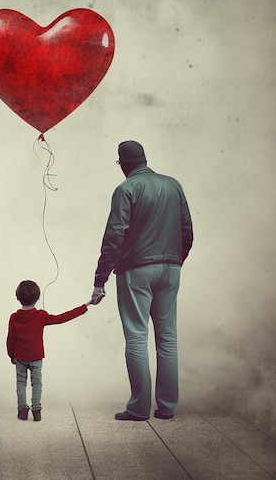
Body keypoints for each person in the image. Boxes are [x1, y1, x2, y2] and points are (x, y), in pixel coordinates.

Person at [90, 140, 193, 421]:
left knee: (137, 336)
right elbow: (187, 230)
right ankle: (167, 408)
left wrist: (100, 279)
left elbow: (114, 236)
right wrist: (174, 261)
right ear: (145, 160)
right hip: (171, 268)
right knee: (168, 338)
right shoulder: (174, 185)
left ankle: (138, 408)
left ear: (123, 164)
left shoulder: (126, 189)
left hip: (136, 270)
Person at [7, 280, 90, 421]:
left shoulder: (14, 317)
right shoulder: (41, 315)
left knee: (21, 382)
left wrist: (12, 356)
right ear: (37, 298)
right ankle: (37, 410)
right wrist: (85, 306)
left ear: (17, 297)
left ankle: (22, 409)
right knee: (37, 383)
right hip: (37, 356)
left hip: (20, 357)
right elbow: (61, 318)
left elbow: (10, 339)